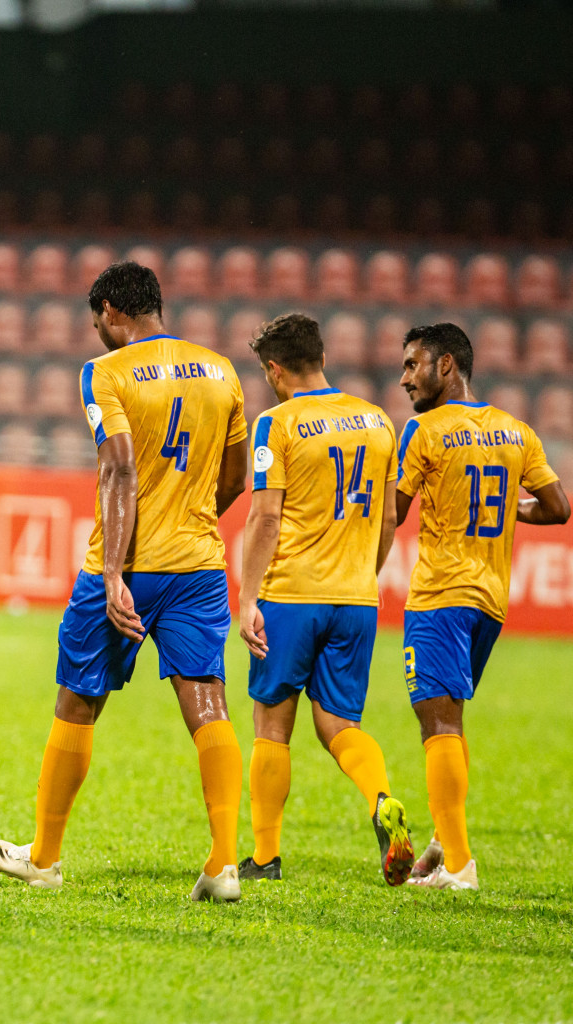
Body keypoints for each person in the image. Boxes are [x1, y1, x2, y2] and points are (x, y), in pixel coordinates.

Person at [0, 261, 249, 901]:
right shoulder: (222, 370)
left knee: (78, 700)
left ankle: (45, 857)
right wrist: (190, 518)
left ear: (110, 311)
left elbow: (120, 469)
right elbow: (237, 476)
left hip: (129, 565)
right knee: (207, 703)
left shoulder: (105, 372)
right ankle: (224, 864)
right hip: (200, 565)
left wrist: (112, 573)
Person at [236, 313, 413, 886]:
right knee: (339, 723)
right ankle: (381, 797)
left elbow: (265, 518)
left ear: (275, 369)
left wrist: (248, 598)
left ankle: (264, 857)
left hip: (291, 595)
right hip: (357, 599)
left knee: (271, 725)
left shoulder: (277, 423)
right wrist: (365, 575)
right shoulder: (378, 421)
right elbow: (389, 516)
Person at [394, 322, 568, 891]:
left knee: (435, 720)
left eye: (413, 364)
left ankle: (461, 865)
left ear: (447, 365)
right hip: (491, 600)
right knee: (451, 718)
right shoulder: (516, 431)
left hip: (441, 594)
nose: (404, 378)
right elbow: (558, 508)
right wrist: (507, 510)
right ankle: (447, 840)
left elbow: (393, 512)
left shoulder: (424, 430)